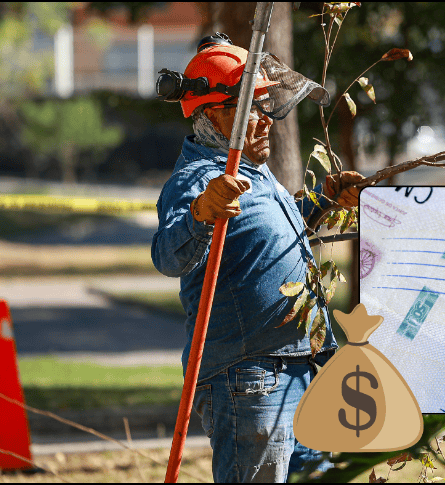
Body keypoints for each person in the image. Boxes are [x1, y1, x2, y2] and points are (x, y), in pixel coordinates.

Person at [151, 41, 362, 482]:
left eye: (267, 105)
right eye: (252, 108)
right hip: (250, 380)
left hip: (299, 368)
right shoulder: (198, 180)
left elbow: (265, 239)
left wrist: (324, 200)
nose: (267, 119)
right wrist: (200, 212)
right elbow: (168, 256)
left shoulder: (252, 171)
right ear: (211, 116)